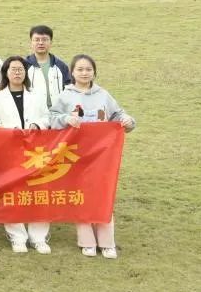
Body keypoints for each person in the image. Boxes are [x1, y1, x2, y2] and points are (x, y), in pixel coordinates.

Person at [50, 54, 136, 259]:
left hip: (102, 155)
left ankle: (107, 242)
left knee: (103, 195)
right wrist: (66, 118)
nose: (84, 73)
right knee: (81, 196)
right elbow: (52, 118)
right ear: (72, 73)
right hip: (76, 155)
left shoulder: (103, 95)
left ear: (94, 72)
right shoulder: (65, 96)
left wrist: (127, 120)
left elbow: (119, 115)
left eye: (88, 69)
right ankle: (87, 241)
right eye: (80, 69)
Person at [0, 56, 51, 254]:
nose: (17, 73)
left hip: (35, 150)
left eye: (20, 69)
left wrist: (37, 125)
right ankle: (17, 236)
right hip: (9, 151)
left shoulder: (36, 95)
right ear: (6, 73)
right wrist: (10, 131)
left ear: (25, 72)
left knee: (37, 192)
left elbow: (47, 117)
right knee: (11, 193)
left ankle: (39, 237)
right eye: (13, 69)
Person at [24, 25, 73, 110]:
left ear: (51, 42)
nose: (41, 43)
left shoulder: (61, 66)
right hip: (32, 112)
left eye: (44, 40)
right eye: (37, 40)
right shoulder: (24, 66)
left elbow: (69, 89)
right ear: (31, 42)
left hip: (58, 112)